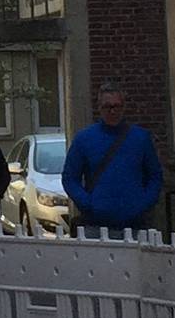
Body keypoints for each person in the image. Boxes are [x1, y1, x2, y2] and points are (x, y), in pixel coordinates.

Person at [61, 82, 162, 234]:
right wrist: (87, 203)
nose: (113, 111)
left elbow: (155, 175)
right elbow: (70, 178)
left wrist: (143, 203)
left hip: (135, 224)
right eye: (108, 107)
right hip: (96, 224)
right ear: (100, 108)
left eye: (117, 106)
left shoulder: (140, 138)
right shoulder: (84, 139)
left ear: (123, 107)